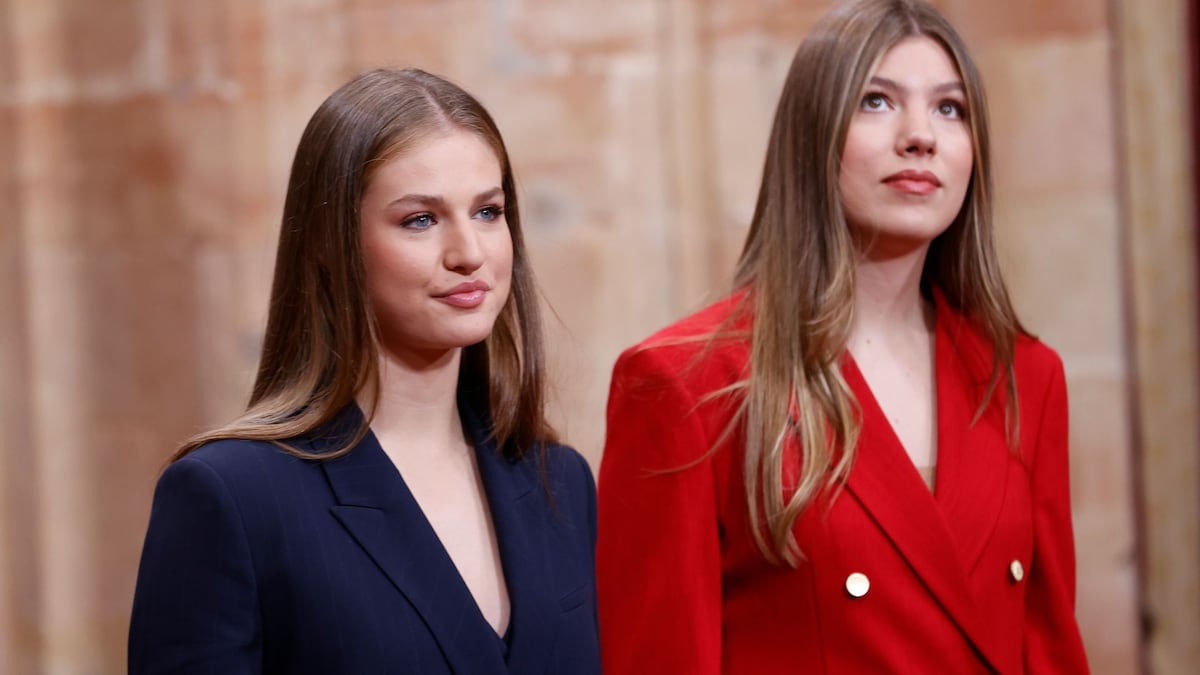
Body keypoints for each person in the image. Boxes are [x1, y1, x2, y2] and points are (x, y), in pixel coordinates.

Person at [596, 0, 1090, 672]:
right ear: (813, 136)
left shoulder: (1026, 376)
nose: (922, 136)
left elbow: (1049, 646)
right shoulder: (688, 383)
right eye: (876, 102)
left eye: (950, 109)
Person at [128, 68, 600, 675]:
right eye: (420, 220)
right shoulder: (232, 496)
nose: (470, 254)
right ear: (333, 244)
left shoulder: (558, 480)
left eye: (487, 211)